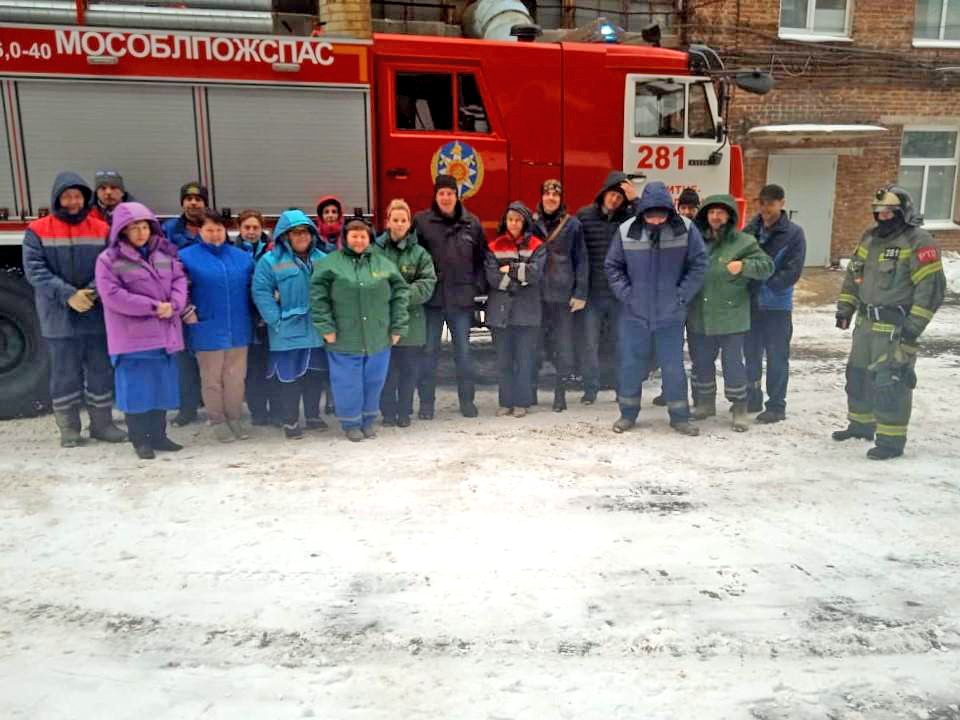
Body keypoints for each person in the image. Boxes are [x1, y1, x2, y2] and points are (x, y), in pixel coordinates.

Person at [833, 185, 946, 460]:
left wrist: (913, 328)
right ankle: (860, 425)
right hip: (865, 326)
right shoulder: (870, 239)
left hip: (896, 329)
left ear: (903, 212)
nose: (882, 217)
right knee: (857, 376)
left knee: (890, 382)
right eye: (878, 212)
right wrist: (845, 307)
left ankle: (891, 440)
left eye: (889, 212)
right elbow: (853, 275)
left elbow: (930, 290)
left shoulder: (919, 241)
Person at [22, 171, 127, 447]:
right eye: (67, 196)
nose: (73, 201)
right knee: (64, 373)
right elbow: (35, 271)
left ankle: (102, 424)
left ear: (85, 198)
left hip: (94, 313)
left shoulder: (101, 229)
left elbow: (111, 265)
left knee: (100, 370)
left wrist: (90, 293)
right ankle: (68, 428)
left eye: (77, 196)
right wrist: (68, 295)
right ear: (57, 199)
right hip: (59, 316)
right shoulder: (38, 230)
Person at [605, 181, 707, 436]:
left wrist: (681, 295)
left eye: (660, 215)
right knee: (630, 365)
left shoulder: (685, 229)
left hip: (670, 315)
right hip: (634, 314)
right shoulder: (627, 230)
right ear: (643, 212)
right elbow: (613, 266)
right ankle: (627, 414)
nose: (656, 221)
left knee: (672, 366)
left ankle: (680, 416)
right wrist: (627, 295)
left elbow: (699, 264)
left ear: (668, 211)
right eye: (651, 215)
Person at [95, 202, 187, 459]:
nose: (140, 232)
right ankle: (139, 440)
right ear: (122, 231)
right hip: (132, 339)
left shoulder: (164, 254)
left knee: (161, 389)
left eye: (144, 226)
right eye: (133, 227)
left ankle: (159, 435)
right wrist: (154, 307)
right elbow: (112, 295)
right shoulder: (109, 260)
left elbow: (179, 279)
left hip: (164, 335)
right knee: (136, 392)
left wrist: (176, 304)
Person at [311, 218, 410, 441]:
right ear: (345, 238)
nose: (358, 240)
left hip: (378, 336)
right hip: (345, 336)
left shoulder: (382, 264)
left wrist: (397, 326)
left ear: (370, 239)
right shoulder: (331, 264)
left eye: (363, 236)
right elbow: (318, 298)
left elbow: (401, 293)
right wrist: (326, 327)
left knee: (374, 380)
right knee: (348, 381)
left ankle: (368, 419)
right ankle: (351, 422)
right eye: (354, 235)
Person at [688, 194, 774, 431]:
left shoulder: (744, 242)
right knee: (701, 362)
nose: (715, 216)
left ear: (729, 216)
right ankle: (705, 404)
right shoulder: (694, 240)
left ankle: (739, 407)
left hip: (732, 316)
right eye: (711, 212)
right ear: (705, 215)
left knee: (733, 364)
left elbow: (767, 266)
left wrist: (744, 266)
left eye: (721, 212)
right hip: (700, 315)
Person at [178, 210, 254, 442]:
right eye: (209, 230)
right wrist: (187, 310)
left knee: (235, 377)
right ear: (199, 231)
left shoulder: (242, 257)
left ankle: (235, 417)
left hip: (239, 325)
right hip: (207, 326)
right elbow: (178, 288)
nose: (215, 235)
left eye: (219, 229)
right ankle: (217, 419)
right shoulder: (186, 257)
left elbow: (254, 287)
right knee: (211, 378)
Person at [252, 209, 329, 439]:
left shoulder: (321, 259)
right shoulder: (271, 261)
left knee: (314, 375)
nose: (301, 237)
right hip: (287, 331)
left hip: (315, 329)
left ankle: (313, 416)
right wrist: (276, 321)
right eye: (295, 233)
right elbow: (261, 292)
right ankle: (291, 421)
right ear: (285, 236)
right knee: (289, 378)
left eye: (305, 232)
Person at [414, 174, 486, 418]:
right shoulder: (421, 223)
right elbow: (412, 257)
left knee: (464, 353)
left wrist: (475, 287)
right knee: (429, 354)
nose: (446, 197)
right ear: (435, 196)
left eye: (450, 193)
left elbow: (481, 260)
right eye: (442, 193)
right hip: (432, 301)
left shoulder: (472, 223)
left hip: (461, 301)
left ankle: (467, 401)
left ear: (457, 196)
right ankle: (426, 405)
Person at [743, 184, 807, 424]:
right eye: (762, 203)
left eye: (770, 203)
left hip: (777, 306)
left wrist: (765, 284)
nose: (766, 208)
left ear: (781, 203)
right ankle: (753, 396)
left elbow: (793, 270)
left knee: (777, 357)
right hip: (751, 305)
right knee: (750, 354)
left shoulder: (793, 234)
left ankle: (776, 405)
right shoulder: (749, 231)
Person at [576, 171, 638, 404]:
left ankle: (622, 389)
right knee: (589, 345)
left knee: (621, 344)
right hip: (592, 293)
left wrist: (635, 199)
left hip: (618, 294)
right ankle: (590, 389)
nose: (614, 200)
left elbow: (652, 222)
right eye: (612, 194)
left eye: (620, 198)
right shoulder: (584, 216)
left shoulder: (629, 219)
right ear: (603, 194)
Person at [375, 199, 437, 427]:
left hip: (412, 323)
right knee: (387, 373)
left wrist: (401, 294)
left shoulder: (420, 254)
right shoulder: (374, 251)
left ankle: (404, 412)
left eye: (404, 220)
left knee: (409, 372)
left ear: (410, 223)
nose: (399, 224)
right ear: (388, 221)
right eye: (395, 220)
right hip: (383, 323)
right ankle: (388, 412)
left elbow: (428, 283)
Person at [485, 202, 547, 417]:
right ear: (505, 221)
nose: (514, 224)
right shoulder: (494, 246)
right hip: (501, 313)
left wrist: (510, 268)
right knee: (503, 360)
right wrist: (517, 282)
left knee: (525, 360)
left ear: (525, 223)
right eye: (511, 219)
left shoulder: (537, 245)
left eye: (518, 220)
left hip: (527, 313)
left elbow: (536, 273)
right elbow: (492, 276)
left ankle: (522, 402)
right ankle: (506, 402)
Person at [532, 178, 588, 412]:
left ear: (560, 199)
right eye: (547, 194)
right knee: (534, 345)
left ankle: (560, 393)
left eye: (555, 195)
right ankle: (530, 390)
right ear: (542, 197)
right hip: (535, 294)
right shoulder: (531, 223)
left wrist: (580, 292)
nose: (551, 198)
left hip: (563, 295)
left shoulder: (572, 225)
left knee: (563, 346)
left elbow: (582, 260)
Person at [163, 182, 209, 425]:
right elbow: (161, 263)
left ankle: (213, 405)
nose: (193, 203)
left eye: (198, 199)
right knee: (183, 359)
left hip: (208, 299)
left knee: (210, 356)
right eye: (188, 199)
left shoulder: (212, 227)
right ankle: (187, 409)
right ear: (182, 203)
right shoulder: (169, 229)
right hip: (180, 301)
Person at [653, 186, 701, 408]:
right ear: (678, 208)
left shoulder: (701, 231)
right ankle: (668, 391)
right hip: (673, 301)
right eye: (684, 207)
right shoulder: (670, 230)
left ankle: (699, 397)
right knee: (671, 350)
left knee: (698, 350)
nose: (688, 211)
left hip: (697, 300)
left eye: (692, 207)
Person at [236, 209, 279, 426]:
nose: (251, 232)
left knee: (272, 367)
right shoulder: (233, 252)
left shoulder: (273, 251)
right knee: (253, 370)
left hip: (269, 318)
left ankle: (278, 410)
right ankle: (258, 411)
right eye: (247, 228)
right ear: (239, 229)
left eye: (255, 227)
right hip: (246, 319)